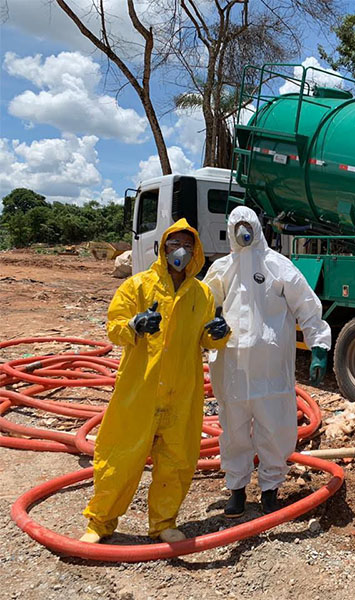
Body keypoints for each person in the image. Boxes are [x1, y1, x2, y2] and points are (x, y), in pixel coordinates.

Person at [81, 219, 230, 544]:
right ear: (162, 249)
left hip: (182, 392)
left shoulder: (201, 293)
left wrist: (218, 334)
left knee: (177, 459)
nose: (181, 251)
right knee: (120, 456)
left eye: (188, 245)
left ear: (196, 252)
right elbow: (114, 326)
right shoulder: (138, 286)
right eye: (174, 244)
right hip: (140, 390)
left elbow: (205, 338)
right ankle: (100, 523)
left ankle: (163, 522)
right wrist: (134, 325)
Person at [203, 206, 331, 517]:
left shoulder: (278, 266)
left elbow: (307, 306)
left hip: (270, 370)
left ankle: (271, 489)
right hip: (231, 367)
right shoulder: (221, 269)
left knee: (275, 429)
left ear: (258, 227)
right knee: (233, 431)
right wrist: (208, 325)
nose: (244, 231)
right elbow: (202, 306)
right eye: (238, 226)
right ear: (231, 230)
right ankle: (236, 490)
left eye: (248, 224)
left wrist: (319, 345)